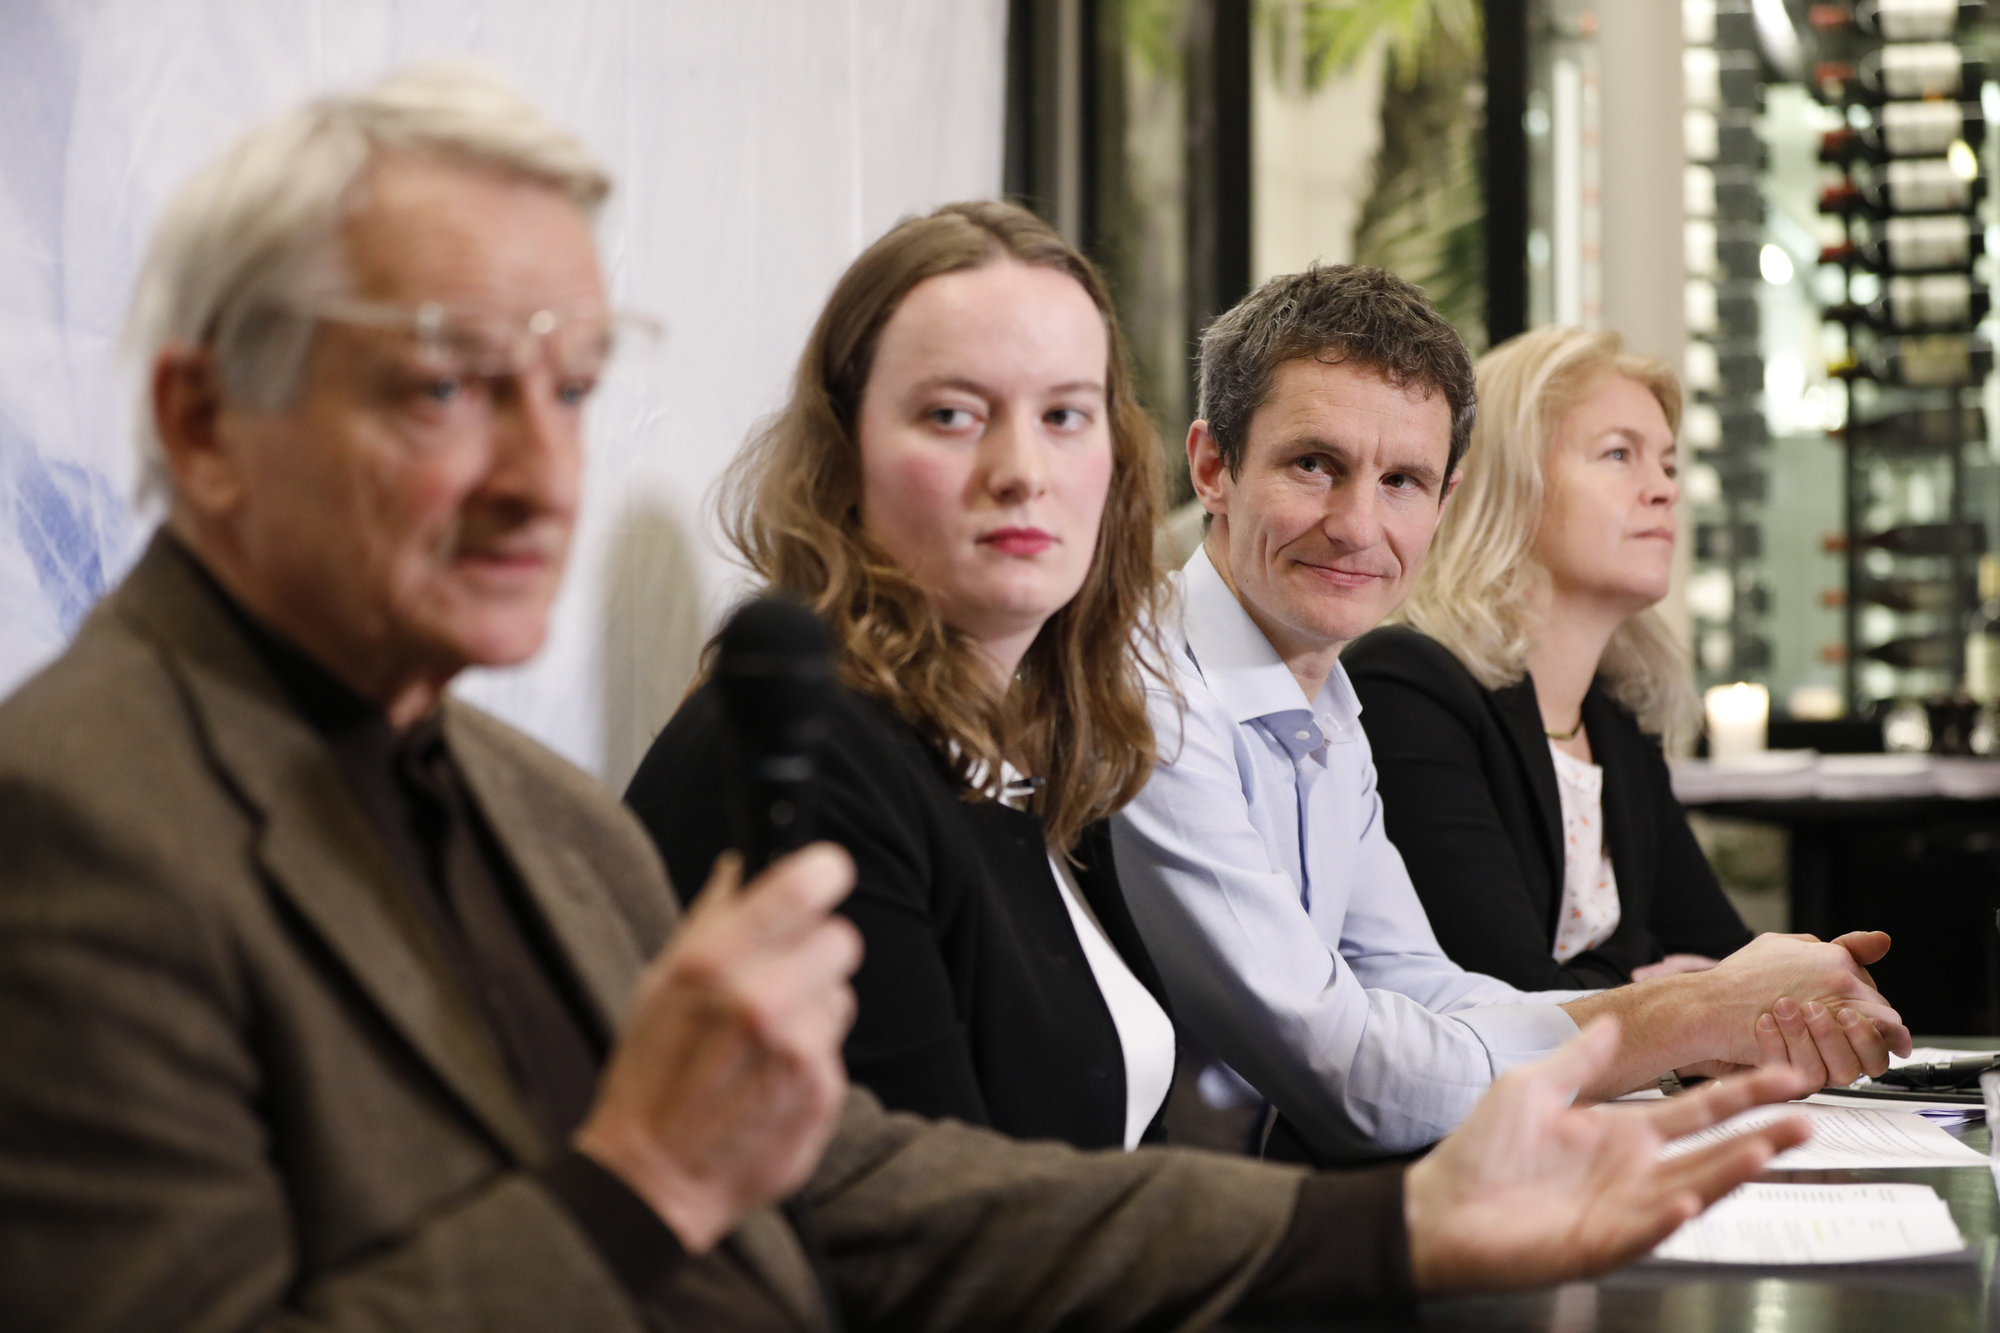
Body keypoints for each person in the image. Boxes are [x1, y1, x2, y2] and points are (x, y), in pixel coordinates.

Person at [0, 63, 1820, 1332]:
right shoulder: (78, 813)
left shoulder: (515, 793)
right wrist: (639, 1181)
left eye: (567, 384)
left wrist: (1398, 1225)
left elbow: (879, 1179)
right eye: (442, 386)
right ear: (200, 425)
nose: (534, 469)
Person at [1110, 263, 1908, 1165]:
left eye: (1402, 481)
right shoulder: (1151, 689)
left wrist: (1709, 1025)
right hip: (1171, 1245)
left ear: (1447, 501)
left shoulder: (1328, 698)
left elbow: (1426, 991)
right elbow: (1348, 1075)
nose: (1357, 525)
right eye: (1314, 464)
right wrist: (1685, 1014)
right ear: (1212, 466)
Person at [625, 200, 1179, 1152]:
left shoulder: (1034, 749)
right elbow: (925, 1231)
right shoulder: (809, 758)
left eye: (1064, 415)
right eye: (954, 415)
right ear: (847, 456)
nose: (1021, 470)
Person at [1344, 327, 1752, 992]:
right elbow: (1503, 995)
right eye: (1619, 454)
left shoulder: (1616, 718)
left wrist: (1665, 991)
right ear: (1511, 483)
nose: (1665, 489)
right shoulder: (1405, 689)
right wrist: (1654, 985)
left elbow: (1734, 970)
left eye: (1670, 465)